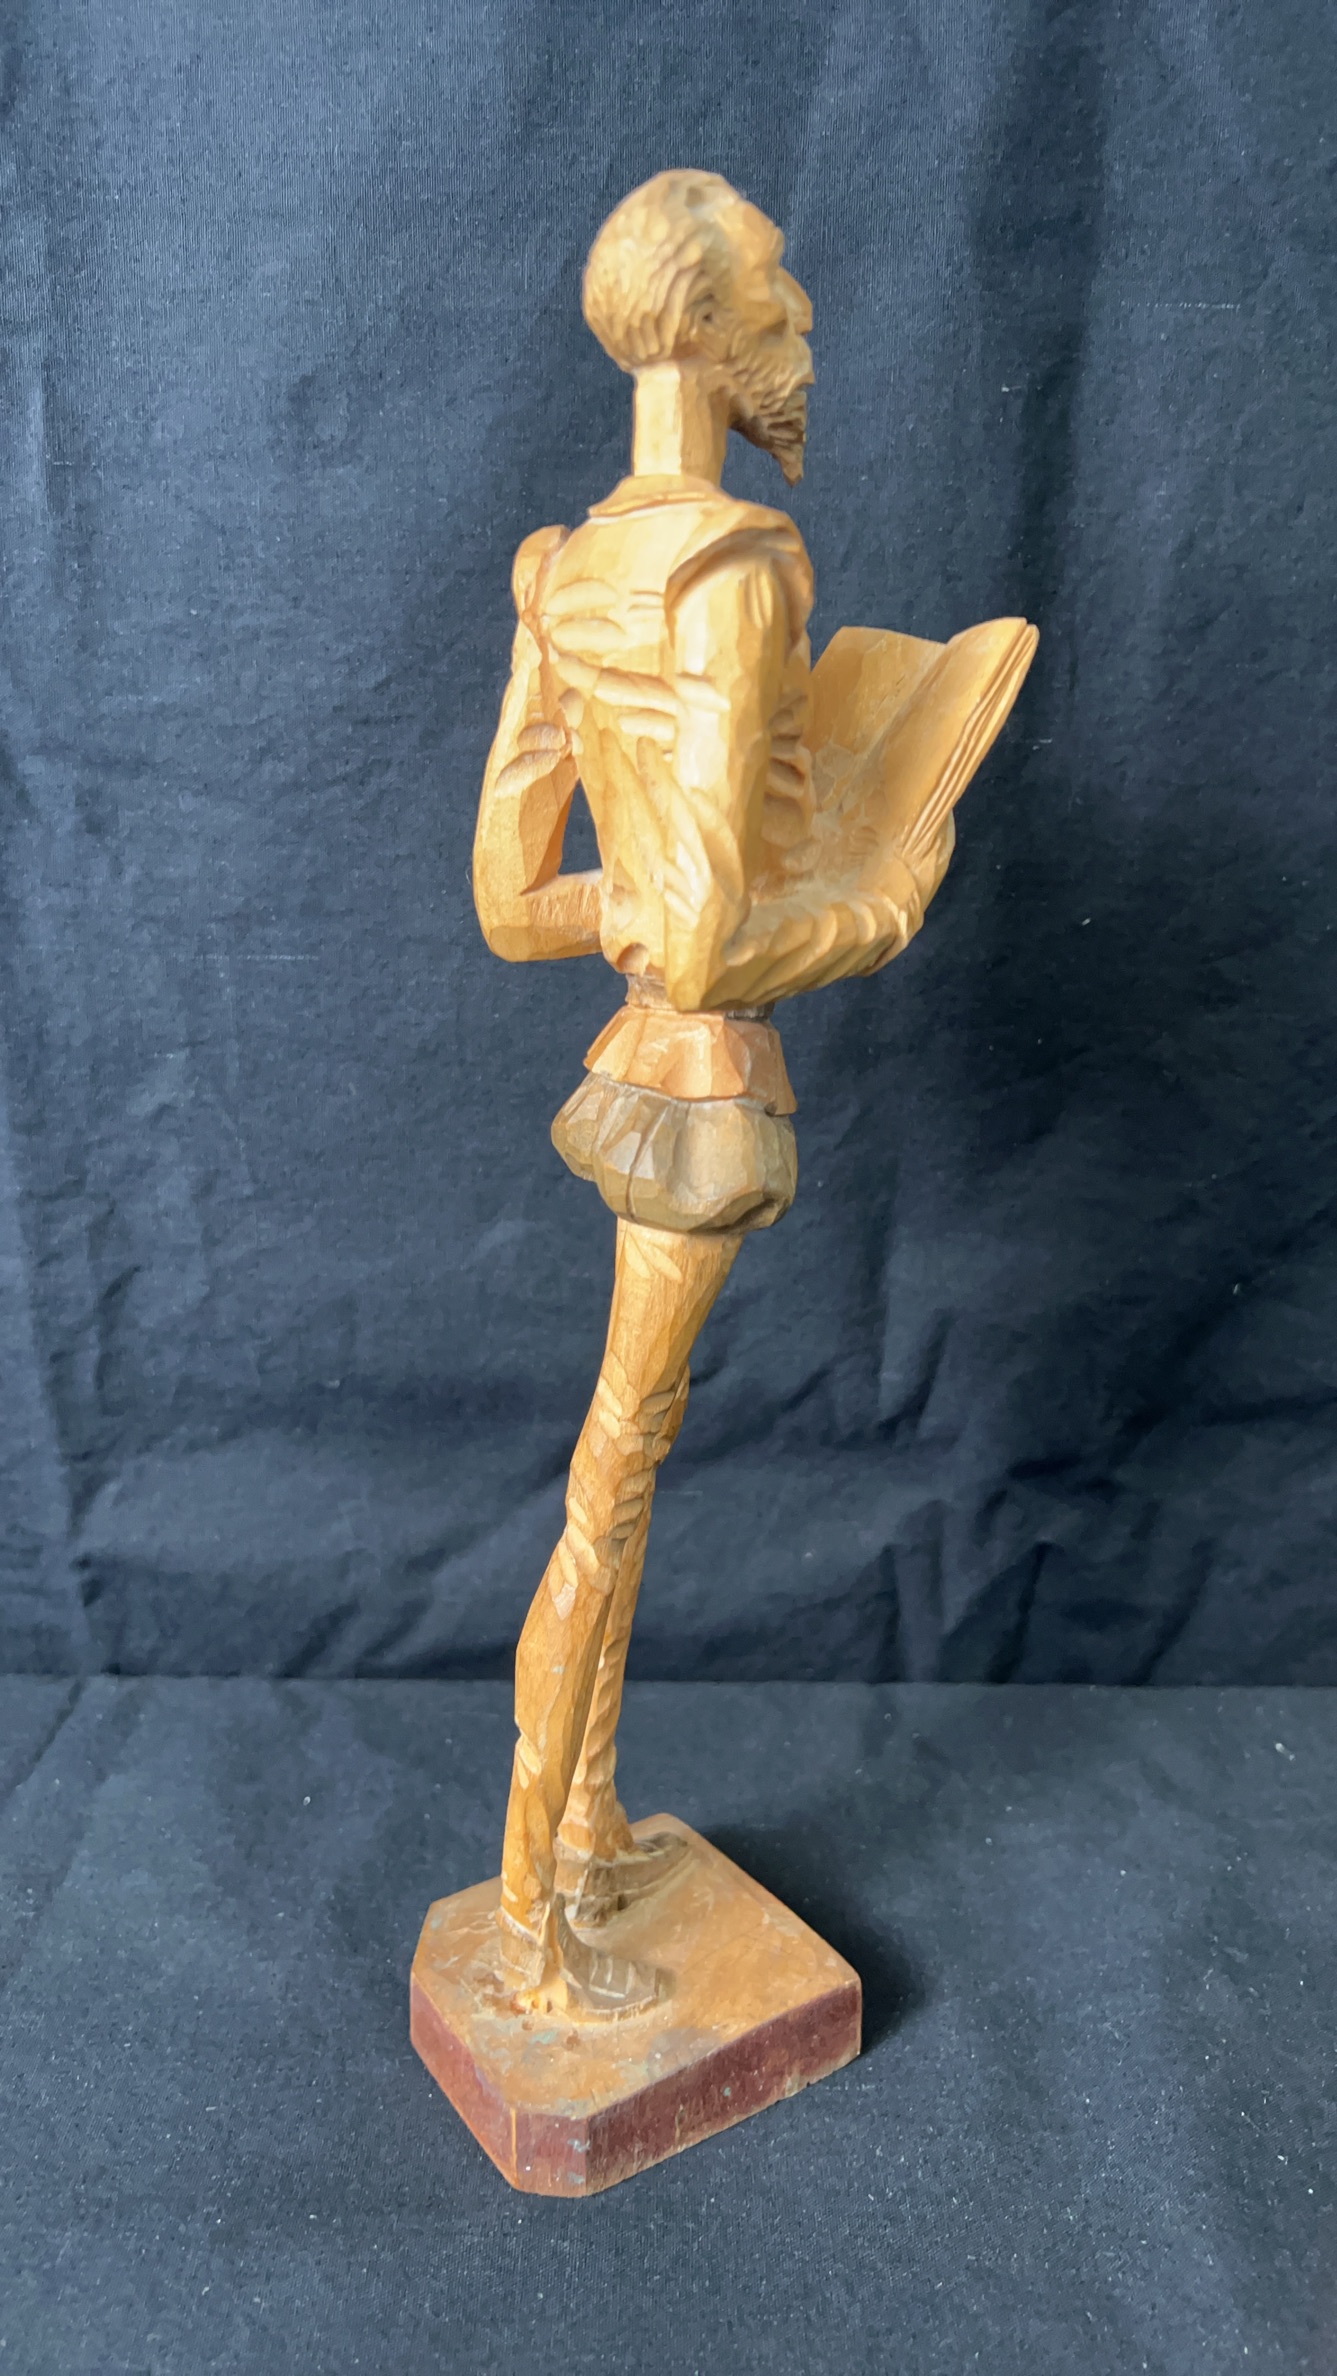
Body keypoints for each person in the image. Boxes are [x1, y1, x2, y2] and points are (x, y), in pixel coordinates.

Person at [471, 170, 1031, 2015]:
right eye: (776, 292)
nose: (799, 324)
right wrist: (880, 901)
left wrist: (635, 904)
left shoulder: (561, 570)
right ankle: (535, 1929)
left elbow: (512, 904)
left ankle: (583, 1829)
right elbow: (717, 947)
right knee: (610, 1476)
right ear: (702, 330)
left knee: (621, 1465)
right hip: (697, 1080)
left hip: (636, 1058)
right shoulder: (736, 568)